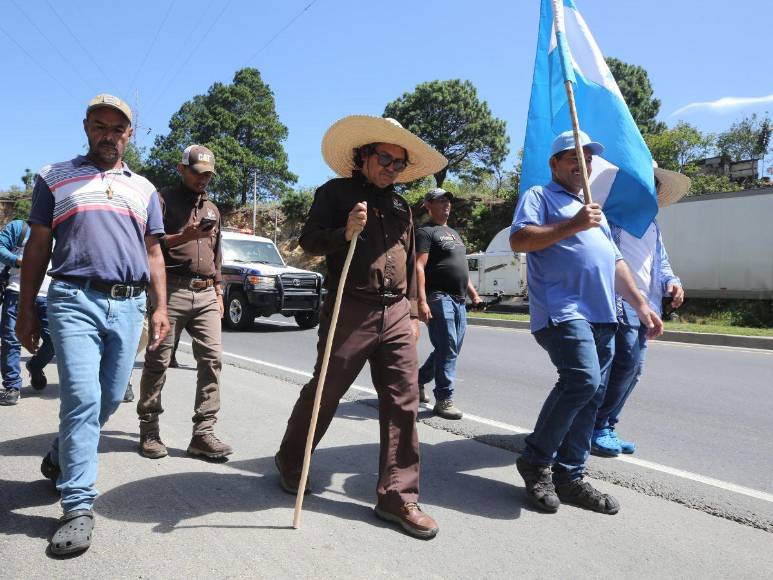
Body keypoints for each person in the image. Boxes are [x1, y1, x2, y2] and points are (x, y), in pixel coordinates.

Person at [275, 115, 447, 539]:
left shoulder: (403, 207)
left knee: (404, 400)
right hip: (350, 306)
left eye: (399, 163)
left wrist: (412, 313)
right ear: (364, 156)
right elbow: (309, 241)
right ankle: (293, 460)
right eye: (385, 158)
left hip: (395, 312)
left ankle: (397, 496)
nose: (392, 167)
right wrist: (344, 231)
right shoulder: (335, 193)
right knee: (326, 390)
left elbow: (409, 261)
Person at [16, 93, 169, 556]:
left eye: (118, 128)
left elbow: (154, 253)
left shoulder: (145, 189)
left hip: (129, 305)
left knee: (108, 401)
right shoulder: (55, 177)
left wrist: (159, 307)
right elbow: (38, 245)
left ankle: (60, 455)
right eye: (100, 126)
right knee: (82, 399)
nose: (108, 135)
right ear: (86, 127)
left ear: (130, 135)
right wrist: (27, 308)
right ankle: (78, 505)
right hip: (73, 299)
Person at [509, 130, 663, 515]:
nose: (583, 165)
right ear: (554, 164)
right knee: (582, 379)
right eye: (573, 158)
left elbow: (616, 262)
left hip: (604, 313)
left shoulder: (594, 210)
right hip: (563, 310)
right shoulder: (540, 196)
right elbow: (520, 239)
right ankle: (535, 460)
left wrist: (641, 305)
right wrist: (573, 225)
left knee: (593, 395)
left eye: (589, 159)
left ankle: (570, 476)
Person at [136, 145, 230, 460]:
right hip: (171, 289)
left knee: (212, 360)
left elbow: (217, 252)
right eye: (197, 173)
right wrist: (184, 237)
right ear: (182, 169)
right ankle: (149, 430)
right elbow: (150, 245)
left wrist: (218, 290)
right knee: (158, 361)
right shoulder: (161, 200)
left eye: (208, 175)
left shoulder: (212, 209)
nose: (203, 179)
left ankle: (203, 433)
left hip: (206, 293)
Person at [591, 168, 688, 456]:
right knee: (624, 364)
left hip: (648, 306)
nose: (651, 193)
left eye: (654, 188)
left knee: (633, 371)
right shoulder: (610, 219)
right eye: (647, 186)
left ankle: (606, 425)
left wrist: (672, 282)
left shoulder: (652, 226)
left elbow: (661, 262)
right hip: (620, 302)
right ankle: (596, 427)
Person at [416, 187, 482, 419]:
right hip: (438, 296)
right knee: (448, 347)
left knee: (449, 348)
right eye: (440, 200)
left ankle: (417, 380)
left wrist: (474, 295)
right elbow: (418, 266)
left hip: (459, 299)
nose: (446, 204)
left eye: (448, 200)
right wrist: (421, 301)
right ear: (428, 205)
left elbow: (460, 268)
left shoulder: (453, 233)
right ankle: (443, 399)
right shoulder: (425, 232)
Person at [0, 219, 55, 405]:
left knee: (54, 339)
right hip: (16, 291)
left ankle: (35, 365)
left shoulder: (61, 230)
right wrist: (18, 261)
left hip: (49, 296)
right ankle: (12, 386)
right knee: (11, 340)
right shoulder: (19, 227)